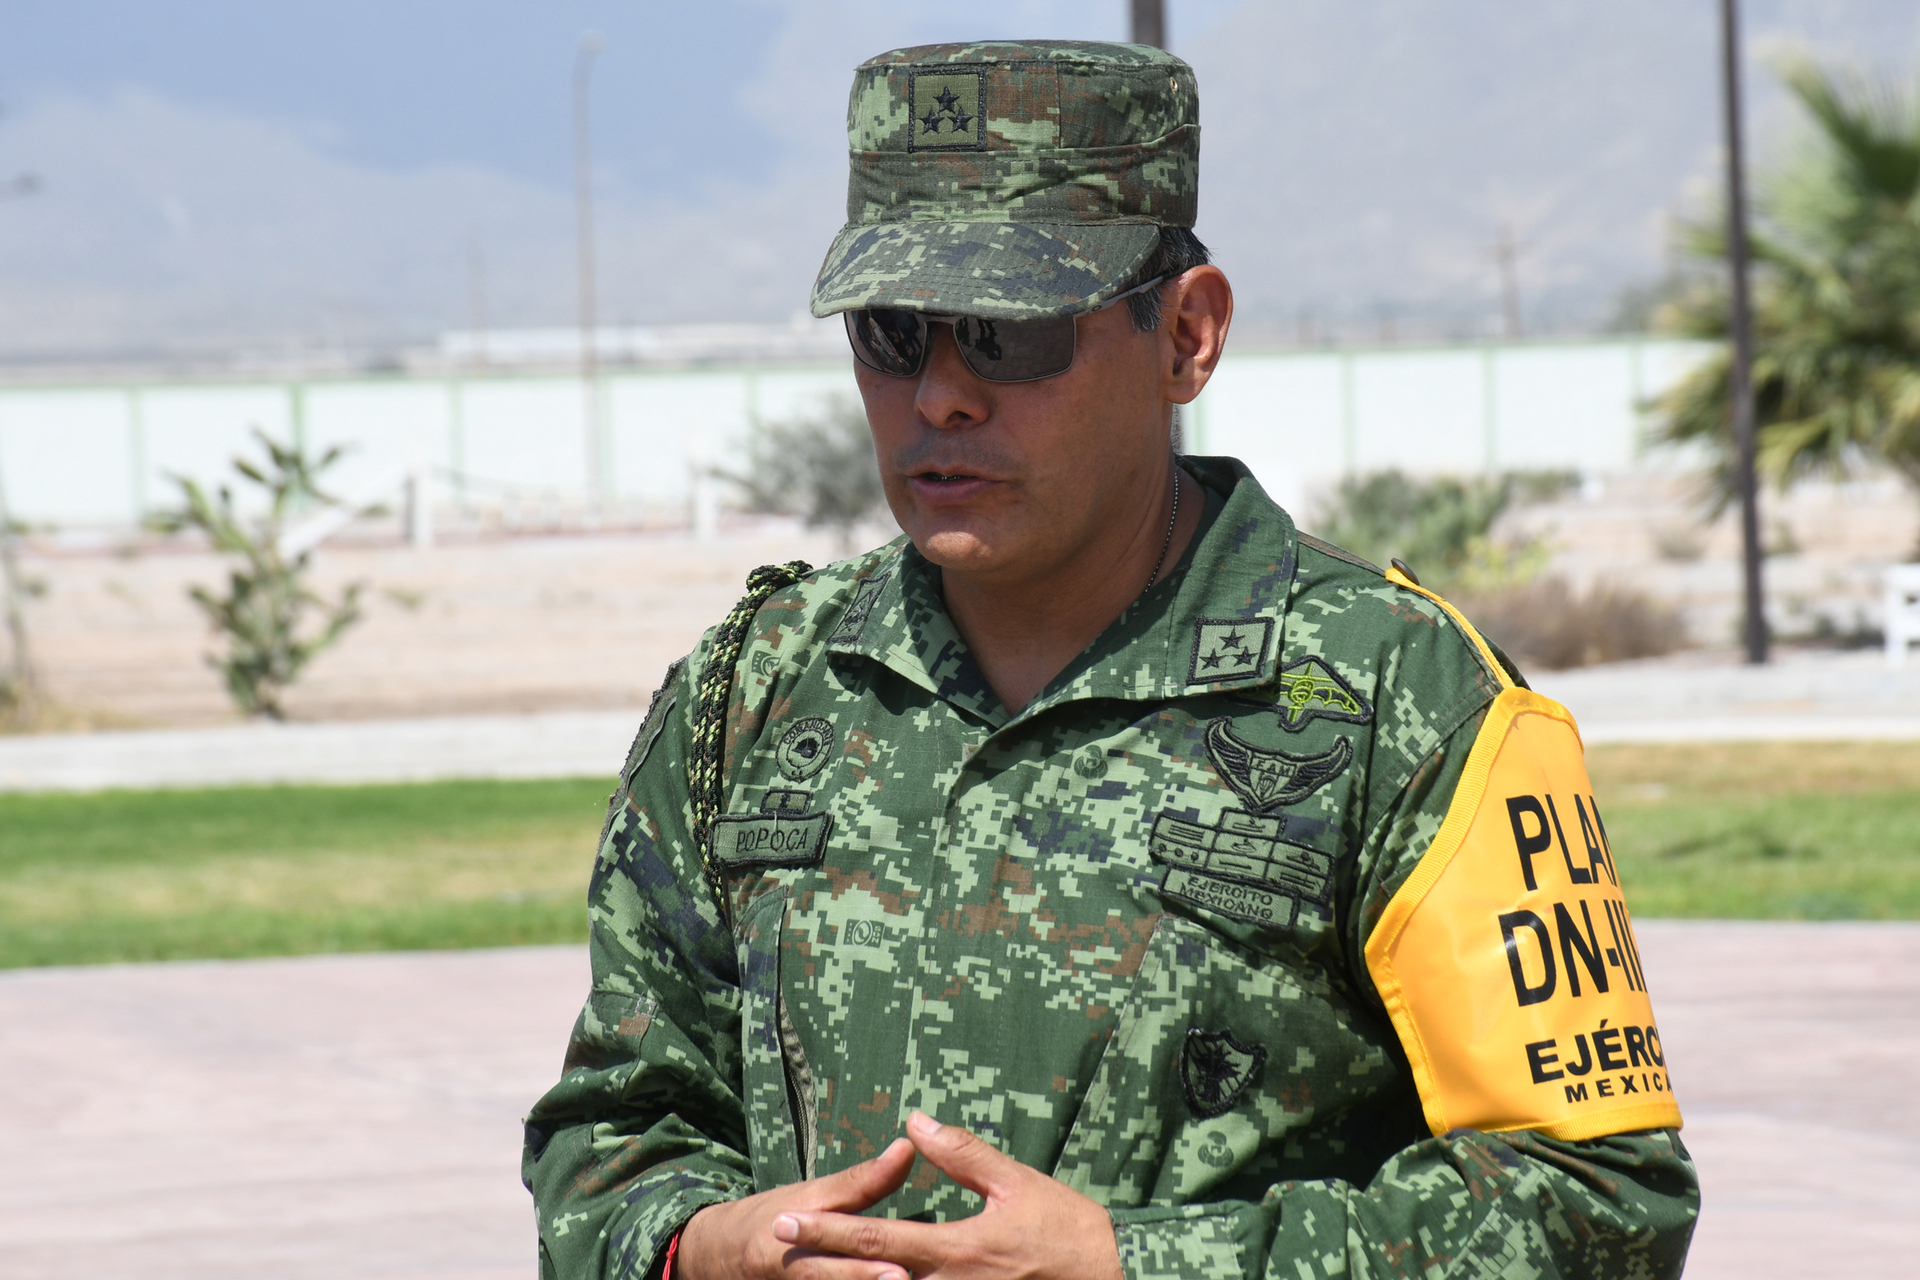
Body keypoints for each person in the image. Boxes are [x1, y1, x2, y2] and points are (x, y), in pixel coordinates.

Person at [523, 40, 1697, 1280]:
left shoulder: (1404, 702)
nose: (942, 395)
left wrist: (1133, 1265)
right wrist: (705, 1248)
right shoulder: (750, 691)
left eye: (1009, 330)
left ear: (1185, 335)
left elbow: (1600, 1198)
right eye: (893, 331)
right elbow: (610, 1143)